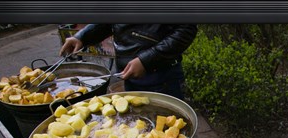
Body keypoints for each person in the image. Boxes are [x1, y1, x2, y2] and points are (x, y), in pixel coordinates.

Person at [60, 24, 198, 100]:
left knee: (170, 137)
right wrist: (82, 37)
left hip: (163, 77)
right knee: (139, 133)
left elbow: (186, 29)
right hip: (129, 75)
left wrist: (146, 61)